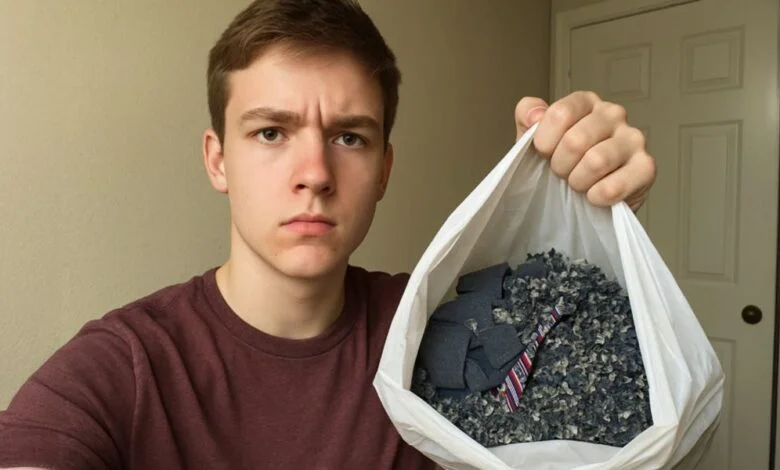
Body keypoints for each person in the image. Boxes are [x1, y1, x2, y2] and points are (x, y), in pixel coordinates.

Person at [0, 1, 656, 469]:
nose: (314, 174)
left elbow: (594, 379)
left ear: (383, 170)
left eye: (348, 137)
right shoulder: (124, 367)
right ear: (218, 160)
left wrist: (582, 200)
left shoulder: (436, 324)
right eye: (271, 132)